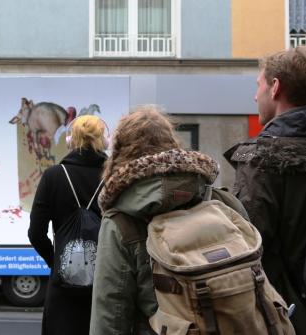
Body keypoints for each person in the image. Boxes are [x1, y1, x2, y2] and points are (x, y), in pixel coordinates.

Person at [90, 105, 221, 334]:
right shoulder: (220, 202)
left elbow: (110, 316)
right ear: (172, 143)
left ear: (120, 153)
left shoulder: (120, 222)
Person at [224, 46, 306, 334]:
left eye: (259, 85)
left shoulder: (261, 158)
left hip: (283, 315)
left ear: (275, 87)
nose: (256, 96)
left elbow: (249, 247)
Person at [28, 115, 108, 335]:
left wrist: (55, 262)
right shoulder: (114, 177)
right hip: (104, 283)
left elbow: (36, 233)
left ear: (70, 140)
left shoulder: (53, 176)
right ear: (104, 141)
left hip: (63, 286)